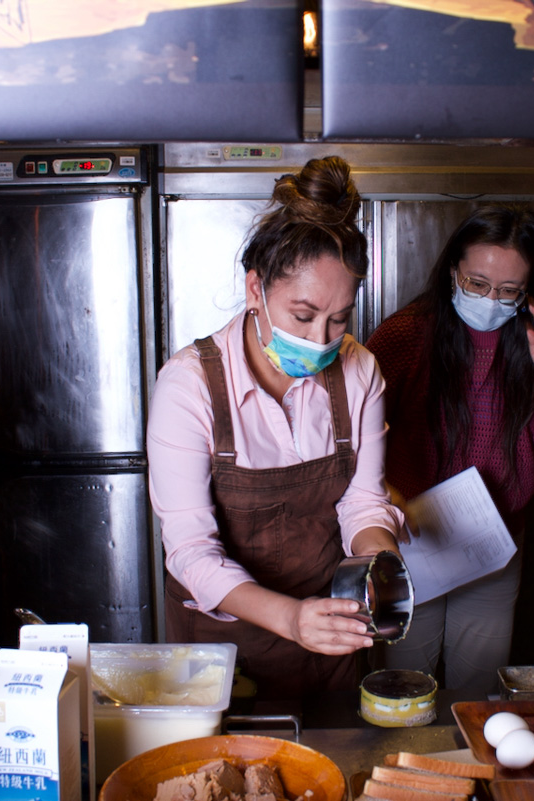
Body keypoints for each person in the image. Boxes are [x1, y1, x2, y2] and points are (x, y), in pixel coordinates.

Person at [146, 156, 405, 700]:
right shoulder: (188, 387)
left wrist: (383, 562)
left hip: (329, 636)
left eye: (340, 319)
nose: (320, 339)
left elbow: (362, 502)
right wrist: (290, 619)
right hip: (222, 651)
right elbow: (191, 549)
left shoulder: (360, 372)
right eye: (303, 315)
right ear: (255, 289)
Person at [365, 205, 534, 694]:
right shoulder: (407, 335)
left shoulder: (530, 345)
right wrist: (386, 498)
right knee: (405, 685)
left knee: (478, 691)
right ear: (453, 271)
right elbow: (352, 438)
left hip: (491, 548)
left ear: (529, 291)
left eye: (509, 291)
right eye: (477, 284)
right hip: (414, 541)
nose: (491, 300)